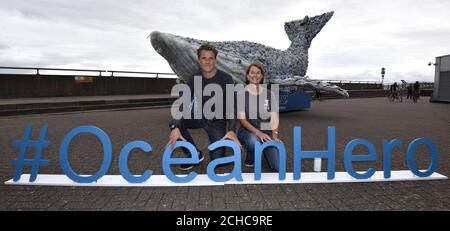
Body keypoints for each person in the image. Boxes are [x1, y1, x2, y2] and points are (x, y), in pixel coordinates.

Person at [167, 44, 240, 170]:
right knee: (174, 123)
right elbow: (184, 104)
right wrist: (176, 126)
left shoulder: (226, 78)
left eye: (211, 58)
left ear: (215, 60)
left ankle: (216, 151)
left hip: (217, 122)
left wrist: (232, 129)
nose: (207, 62)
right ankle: (194, 154)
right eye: (204, 58)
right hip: (199, 117)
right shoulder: (194, 78)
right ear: (199, 60)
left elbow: (232, 106)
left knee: (218, 162)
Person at [237, 63, 281, 171]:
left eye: (258, 73)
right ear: (247, 76)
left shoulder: (270, 94)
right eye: (252, 72)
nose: (255, 75)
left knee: (277, 167)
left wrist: (274, 137)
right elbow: (243, 120)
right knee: (253, 142)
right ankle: (251, 155)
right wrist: (259, 133)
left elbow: (274, 117)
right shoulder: (241, 95)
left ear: (261, 76)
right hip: (248, 132)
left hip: (267, 133)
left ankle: (265, 151)